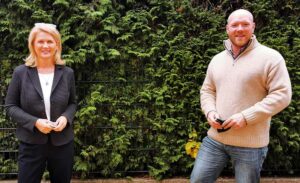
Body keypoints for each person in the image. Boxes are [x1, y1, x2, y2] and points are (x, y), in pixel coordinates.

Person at [190, 9, 292, 183]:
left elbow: (282, 95)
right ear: (227, 29)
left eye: (245, 24)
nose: (239, 29)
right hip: (215, 139)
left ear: (253, 27)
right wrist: (210, 112)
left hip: (250, 146)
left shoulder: (271, 58)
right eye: (234, 25)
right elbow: (207, 90)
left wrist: (246, 117)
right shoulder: (217, 59)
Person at [5, 23, 76, 183]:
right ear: (33, 45)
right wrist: (35, 122)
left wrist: (66, 117)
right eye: (41, 41)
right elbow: (10, 107)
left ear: (57, 45)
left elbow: (72, 103)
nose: (45, 45)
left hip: (62, 143)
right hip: (31, 142)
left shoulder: (67, 73)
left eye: (50, 41)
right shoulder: (20, 73)